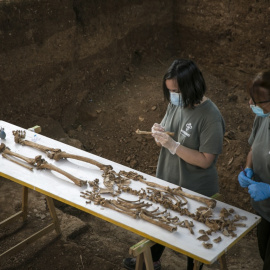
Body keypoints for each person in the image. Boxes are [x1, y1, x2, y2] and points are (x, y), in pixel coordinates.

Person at [123, 59, 225, 270]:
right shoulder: (175, 103)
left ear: (192, 86)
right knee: (162, 220)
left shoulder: (210, 116)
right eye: (170, 91)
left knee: (192, 240)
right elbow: (169, 130)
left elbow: (206, 160)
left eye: (176, 91)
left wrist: (173, 146)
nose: (172, 96)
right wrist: (159, 132)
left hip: (195, 189)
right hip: (169, 180)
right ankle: (153, 259)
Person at [237, 71, 270, 270]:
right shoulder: (263, 118)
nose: (250, 104)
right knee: (262, 251)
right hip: (264, 209)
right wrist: (247, 169)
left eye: (257, 101)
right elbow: (253, 148)